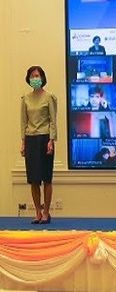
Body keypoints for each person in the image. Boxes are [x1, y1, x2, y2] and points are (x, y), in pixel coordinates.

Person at [20, 66, 57, 224]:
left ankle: (46, 212)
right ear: (29, 79)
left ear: (42, 78)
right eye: (32, 76)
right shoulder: (25, 99)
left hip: (45, 139)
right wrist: (23, 142)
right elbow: (23, 122)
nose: (35, 78)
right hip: (30, 139)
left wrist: (51, 140)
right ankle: (38, 212)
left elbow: (53, 121)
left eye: (37, 76)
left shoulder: (49, 97)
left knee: (46, 178)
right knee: (33, 179)